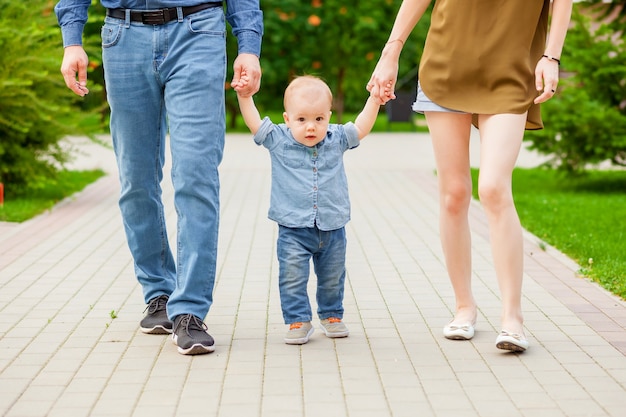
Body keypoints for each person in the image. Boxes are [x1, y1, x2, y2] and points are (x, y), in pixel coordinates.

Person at [55, 0, 263, 355]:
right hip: (123, 37)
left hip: (198, 30)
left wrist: (248, 44)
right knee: (136, 180)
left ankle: (190, 310)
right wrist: (72, 38)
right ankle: (159, 293)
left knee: (195, 176)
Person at [368, 0, 573, 352]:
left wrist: (552, 56)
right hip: (446, 65)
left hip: (511, 70)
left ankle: (513, 318)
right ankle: (464, 307)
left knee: (493, 187)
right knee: (454, 194)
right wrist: (391, 51)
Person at [232, 74, 382, 344]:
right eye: (301, 120)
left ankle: (331, 314)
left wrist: (374, 100)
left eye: (319, 119)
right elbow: (255, 125)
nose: (311, 127)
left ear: (328, 116)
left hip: (332, 226)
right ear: (287, 119)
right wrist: (245, 97)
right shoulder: (279, 139)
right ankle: (298, 320)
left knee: (333, 276)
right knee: (291, 277)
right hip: (293, 229)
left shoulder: (336, 138)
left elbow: (361, 127)